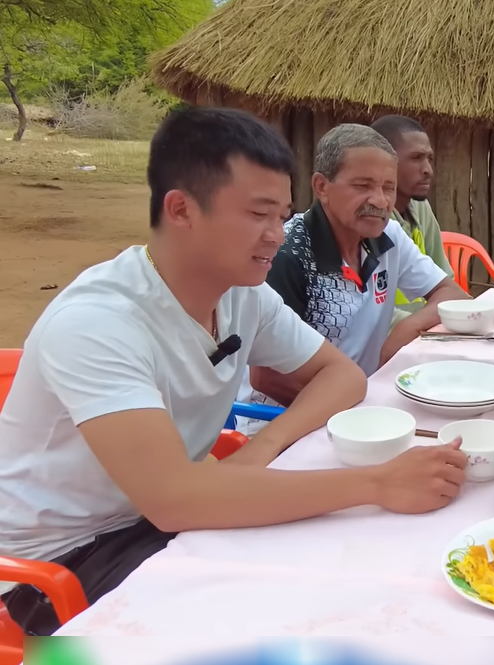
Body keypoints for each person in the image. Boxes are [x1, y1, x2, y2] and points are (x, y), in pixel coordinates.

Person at [0, 108, 469, 636]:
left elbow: (343, 377)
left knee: (353, 577)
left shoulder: (243, 294)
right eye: (258, 214)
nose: (276, 234)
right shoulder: (97, 323)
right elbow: (174, 500)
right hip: (58, 567)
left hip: (171, 520)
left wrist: (258, 453)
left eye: (283, 215)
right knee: (295, 615)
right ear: (181, 209)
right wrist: (378, 483)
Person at [240, 124, 470, 417]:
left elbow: (452, 293)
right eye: (362, 186)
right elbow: (268, 378)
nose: (380, 201)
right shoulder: (288, 255)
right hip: (278, 420)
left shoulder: (389, 237)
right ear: (322, 186)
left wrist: (407, 327)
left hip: (361, 398)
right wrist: (354, 413)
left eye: (388, 187)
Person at [369, 115, 454, 326]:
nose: (428, 170)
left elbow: (446, 283)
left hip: (423, 330)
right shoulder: (368, 220)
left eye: (429, 159)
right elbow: (369, 317)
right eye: (416, 158)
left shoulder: (420, 208)